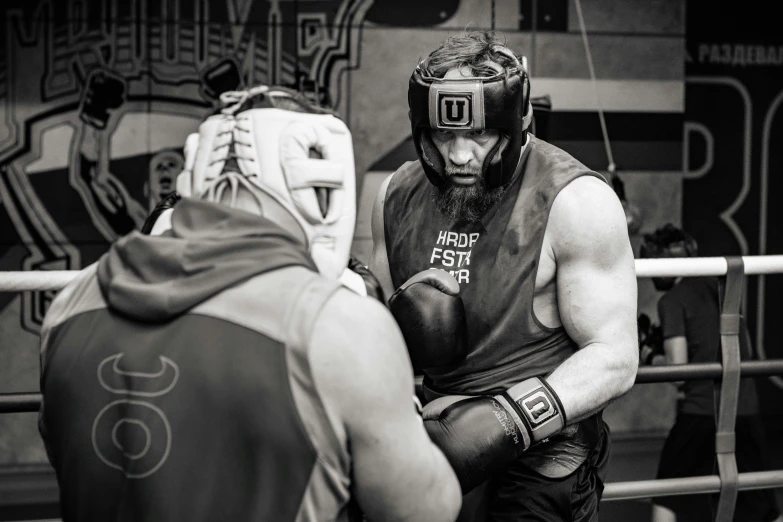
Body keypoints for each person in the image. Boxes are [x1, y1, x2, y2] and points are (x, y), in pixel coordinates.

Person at [38, 85, 461, 522]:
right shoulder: (338, 325)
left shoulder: (71, 303)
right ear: (320, 183)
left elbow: (62, 450)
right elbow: (424, 512)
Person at [370, 31, 639, 521]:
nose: (458, 155)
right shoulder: (394, 197)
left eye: (479, 134)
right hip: (433, 437)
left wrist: (510, 419)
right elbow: (381, 334)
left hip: (543, 457)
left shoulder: (575, 202)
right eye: (443, 134)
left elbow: (616, 357)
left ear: (516, 124)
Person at [640, 225, 782, 522]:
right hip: (744, 411)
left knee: (666, 493)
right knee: (761, 502)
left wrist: (649, 355)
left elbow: (679, 372)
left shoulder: (673, 300)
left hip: (701, 412)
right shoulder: (722, 288)